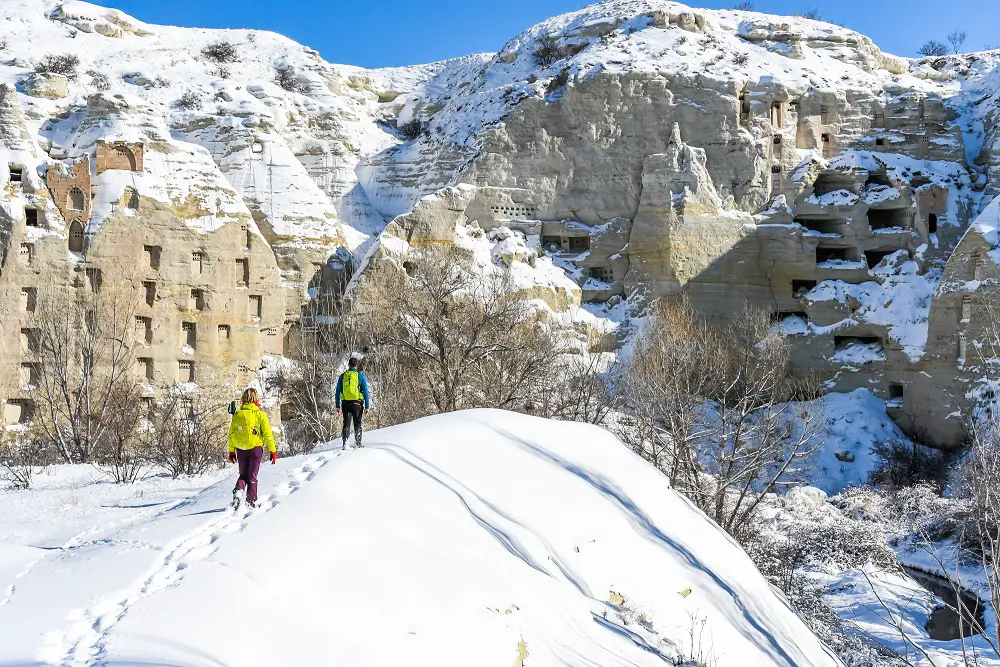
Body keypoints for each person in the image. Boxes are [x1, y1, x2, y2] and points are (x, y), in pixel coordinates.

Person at [227, 388, 277, 509]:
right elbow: (267, 434)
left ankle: (238, 491)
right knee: (252, 477)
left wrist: (231, 451)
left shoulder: (238, 414)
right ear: (256, 399)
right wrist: (272, 450)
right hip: (255, 449)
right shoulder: (259, 414)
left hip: (240, 449)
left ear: (243, 399)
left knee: (243, 475)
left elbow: (231, 434)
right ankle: (251, 502)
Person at [335, 357, 370, 449]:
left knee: (346, 423)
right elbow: (365, 391)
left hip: (346, 403)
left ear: (348, 365)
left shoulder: (343, 376)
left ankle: (345, 443)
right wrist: (367, 406)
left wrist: (337, 406)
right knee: (357, 423)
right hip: (357, 404)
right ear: (357, 365)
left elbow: (337, 391)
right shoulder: (360, 376)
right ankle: (358, 443)